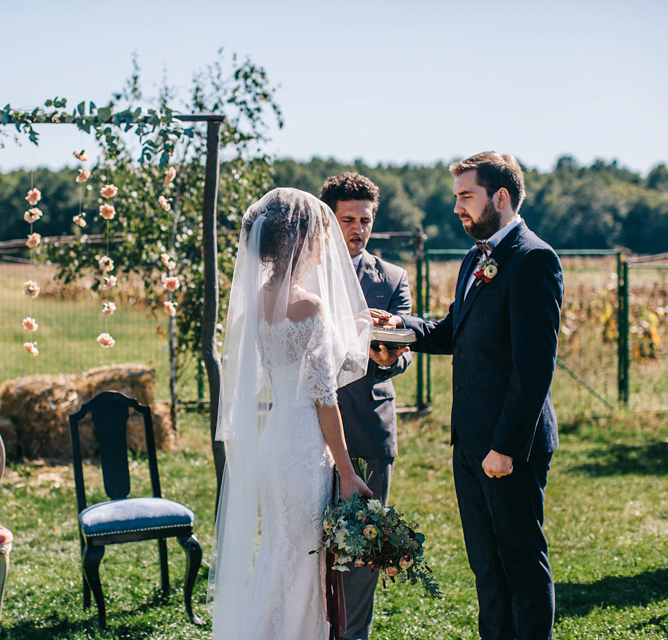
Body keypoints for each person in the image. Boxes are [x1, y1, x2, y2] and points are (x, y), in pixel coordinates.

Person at [374, 152, 563, 640]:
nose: (457, 207)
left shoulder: (533, 258)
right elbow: (451, 330)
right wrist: (402, 327)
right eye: (456, 196)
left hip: (508, 446)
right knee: (487, 569)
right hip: (471, 443)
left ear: (500, 197)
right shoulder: (475, 257)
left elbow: (534, 366)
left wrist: (506, 447)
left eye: (466, 196)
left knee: (520, 566)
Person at [210, 188, 373, 639]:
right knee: (301, 563)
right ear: (300, 241)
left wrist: (355, 329)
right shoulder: (310, 306)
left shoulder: (263, 298)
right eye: (321, 234)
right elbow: (324, 395)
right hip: (303, 449)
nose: (327, 243)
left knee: (279, 555)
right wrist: (346, 471)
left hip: (274, 442)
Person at [319, 172, 412, 640]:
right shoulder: (304, 273)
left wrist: (389, 358)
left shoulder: (393, 278)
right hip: (309, 434)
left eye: (366, 220)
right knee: (309, 550)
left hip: (371, 433)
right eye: (348, 219)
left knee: (360, 554)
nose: (357, 228)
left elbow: (406, 350)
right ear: (328, 220)